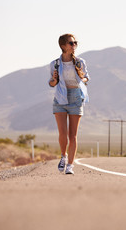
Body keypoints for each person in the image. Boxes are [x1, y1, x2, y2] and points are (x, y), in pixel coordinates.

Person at [48, 33, 90, 174]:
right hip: (60, 98)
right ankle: (63, 156)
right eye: (71, 43)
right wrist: (54, 78)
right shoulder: (55, 64)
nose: (74, 45)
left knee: (73, 136)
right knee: (63, 134)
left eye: (75, 43)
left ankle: (70, 166)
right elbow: (52, 83)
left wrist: (81, 79)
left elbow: (87, 79)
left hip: (75, 97)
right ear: (63, 46)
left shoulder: (80, 62)